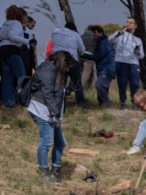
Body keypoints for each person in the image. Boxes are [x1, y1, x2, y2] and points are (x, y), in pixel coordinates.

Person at [27, 50, 72, 183]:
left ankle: (56, 172)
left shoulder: (55, 72)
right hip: (42, 110)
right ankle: (44, 173)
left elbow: (58, 93)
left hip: (52, 113)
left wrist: (70, 90)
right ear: (61, 63)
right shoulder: (46, 71)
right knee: (46, 142)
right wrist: (56, 112)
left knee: (60, 143)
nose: (68, 70)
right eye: (67, 66)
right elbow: (47, 94)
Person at [109, 17, 144, 109]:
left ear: (135, 26)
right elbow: (109, 41)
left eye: (130, 23)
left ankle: (134, 103)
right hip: (121, 61)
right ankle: (123, 103)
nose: (127, 24)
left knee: (135, 84)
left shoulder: (138, 40)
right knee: (122, 83)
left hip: (133, 63)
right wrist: (117, 35)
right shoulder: (120, 34)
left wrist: (138, 52)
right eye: (127, 22)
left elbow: (142, 56)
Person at [0, 5, 29, 108]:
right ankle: (26, 102)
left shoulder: (5, 24)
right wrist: (28, 41)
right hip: (12, 51)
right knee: (22, 76)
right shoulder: (16, 23)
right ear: (20, 16)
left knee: (7, 78)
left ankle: (8, 102)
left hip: (2, 52)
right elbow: (13, 36)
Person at [50, 21, 85, 107]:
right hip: (71, 60)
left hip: (58, 60)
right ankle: (80, 103)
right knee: (77, 82)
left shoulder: (55, 32)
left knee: (60, 82)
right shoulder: (75, 34)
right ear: (74, 29)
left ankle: (60, 103)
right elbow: (82, 50)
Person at [85, 25, 115, 107]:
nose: (93, 35)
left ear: (101, 33)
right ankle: (102, 107)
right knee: (103, 88)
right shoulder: (101, 42)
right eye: (93, 33)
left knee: (99, 85)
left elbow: (97, 57)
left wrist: (82, 54)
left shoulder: (104, 43)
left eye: (95, 33)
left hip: (107, 69)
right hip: (103, 69)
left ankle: (108, 105)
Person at [80, 24, 95, 91]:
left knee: (87, 72)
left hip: (80, 56)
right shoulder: (93, 37)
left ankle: (88, 88)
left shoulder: (81, 36)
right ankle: (80, 88)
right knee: (86, 72)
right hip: (89, 57)